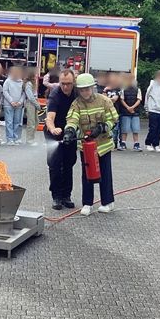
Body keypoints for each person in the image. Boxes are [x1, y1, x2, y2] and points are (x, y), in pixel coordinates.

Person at [63, 73, 119, 216]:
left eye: (87, 89)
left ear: (93, 88)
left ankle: (108, 202)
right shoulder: (76, 104)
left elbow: (113, 119)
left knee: (105, 174)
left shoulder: (104, 101)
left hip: (103, 144)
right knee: (87, 174)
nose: (84, 92)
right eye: (81, 90)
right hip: (86, 146)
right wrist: (69, 131)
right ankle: (87, 204)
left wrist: (102, 127)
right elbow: (72, 119)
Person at [44, 69, 77, 210]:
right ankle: (56, 196)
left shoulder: (77, 93)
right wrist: (53, 129)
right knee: (55, 164)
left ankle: (66, 196)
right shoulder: (55, 95)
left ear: (73, 82)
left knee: (69, 163)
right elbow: (49, 118)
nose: (65, 87)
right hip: (54, 132)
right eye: (63, 84)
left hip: (71, 131)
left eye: (68, 84)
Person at [117, 73, 142, 151]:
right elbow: (121, 99)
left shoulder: (138, 89)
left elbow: (139, 99)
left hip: (135, 112)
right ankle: (123, 143)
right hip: (125, 111)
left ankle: (136, 144)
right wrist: (128, 107)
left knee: (135, 128)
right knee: (125, 128)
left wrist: (132, 107)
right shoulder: (123, 89)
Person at [144, 70, 160, 152]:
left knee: (159, 128)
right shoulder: (152, 84)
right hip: (152, 109)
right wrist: (146, 108)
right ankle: (148, 143)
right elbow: (147, 96)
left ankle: (156, 144)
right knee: (153, 128)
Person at [2, 66, 25, 145]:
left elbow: (23, 93)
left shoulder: (22, 82)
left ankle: (15, 138)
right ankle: (9, 139)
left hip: (19, 105)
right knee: (9, 122)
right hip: (8, 105)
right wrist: (11, 101)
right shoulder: (8, 81)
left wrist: (20, 102)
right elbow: (5, 91)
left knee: (17, 122)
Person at [23, 68, 41, 145]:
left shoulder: (33, 83)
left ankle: (31, 138)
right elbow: (30, 97)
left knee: (36, 121)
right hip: (30, 104)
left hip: (33, 103)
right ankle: (29, 140)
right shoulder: (28, 84)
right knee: (31, 122)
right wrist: (37, 105)